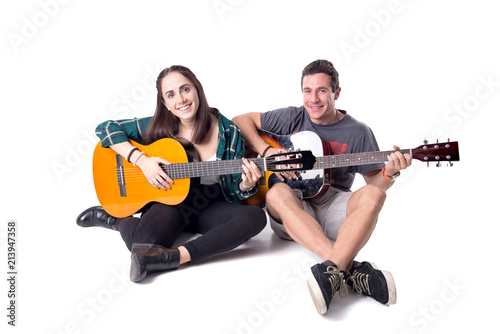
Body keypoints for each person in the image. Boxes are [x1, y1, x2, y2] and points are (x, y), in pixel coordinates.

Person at [232, 59, 412, 315]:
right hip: (293, 206)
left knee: (374, 194)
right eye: (307, 91)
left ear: (336, 93)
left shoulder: (358, 132)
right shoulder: (291, 116)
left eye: (322, 91)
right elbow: (240, 120)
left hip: (333, 205)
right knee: (276, 193)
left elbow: (374, 183)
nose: (313, 99)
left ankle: (330, 273)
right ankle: (350, 270)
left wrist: (390, 172)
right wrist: (267, 150)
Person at [77, 65, 267, 283]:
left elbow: (234, 193)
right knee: (142, 240)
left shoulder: (229, 130)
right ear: (165, 104)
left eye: (185, 89)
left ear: (197, 89)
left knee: (255, 217)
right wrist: (141, 160)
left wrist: (245, 185)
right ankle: (114, 219)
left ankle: (173, 257)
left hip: (211, 205)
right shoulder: (158, 127)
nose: (181, 99)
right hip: (173, 201)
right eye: (171, 95)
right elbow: (106, 128)